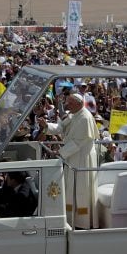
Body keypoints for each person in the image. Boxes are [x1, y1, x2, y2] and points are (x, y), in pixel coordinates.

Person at [37, 93, 99, 229]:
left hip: (82, 157)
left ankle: (83, 222)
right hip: (72, 156)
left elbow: (79, 142)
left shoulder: (85, 118)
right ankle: (71, 219)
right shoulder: (74, 114)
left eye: (70, 103)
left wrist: (60, 152)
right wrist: (46, 125)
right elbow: (60, 128)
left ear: (79, 104)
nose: (67, 105)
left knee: (81, 189)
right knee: (71, 188)